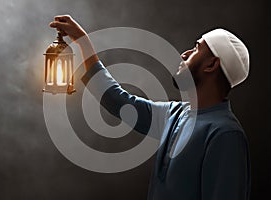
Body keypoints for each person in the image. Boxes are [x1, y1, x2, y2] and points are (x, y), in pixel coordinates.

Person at [49, 15, 251, 200]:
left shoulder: (225, 134)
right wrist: (83, 42)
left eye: (197, 48)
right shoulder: (175, 114)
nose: (185, 54)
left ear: (211, 65)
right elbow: (117, 101)